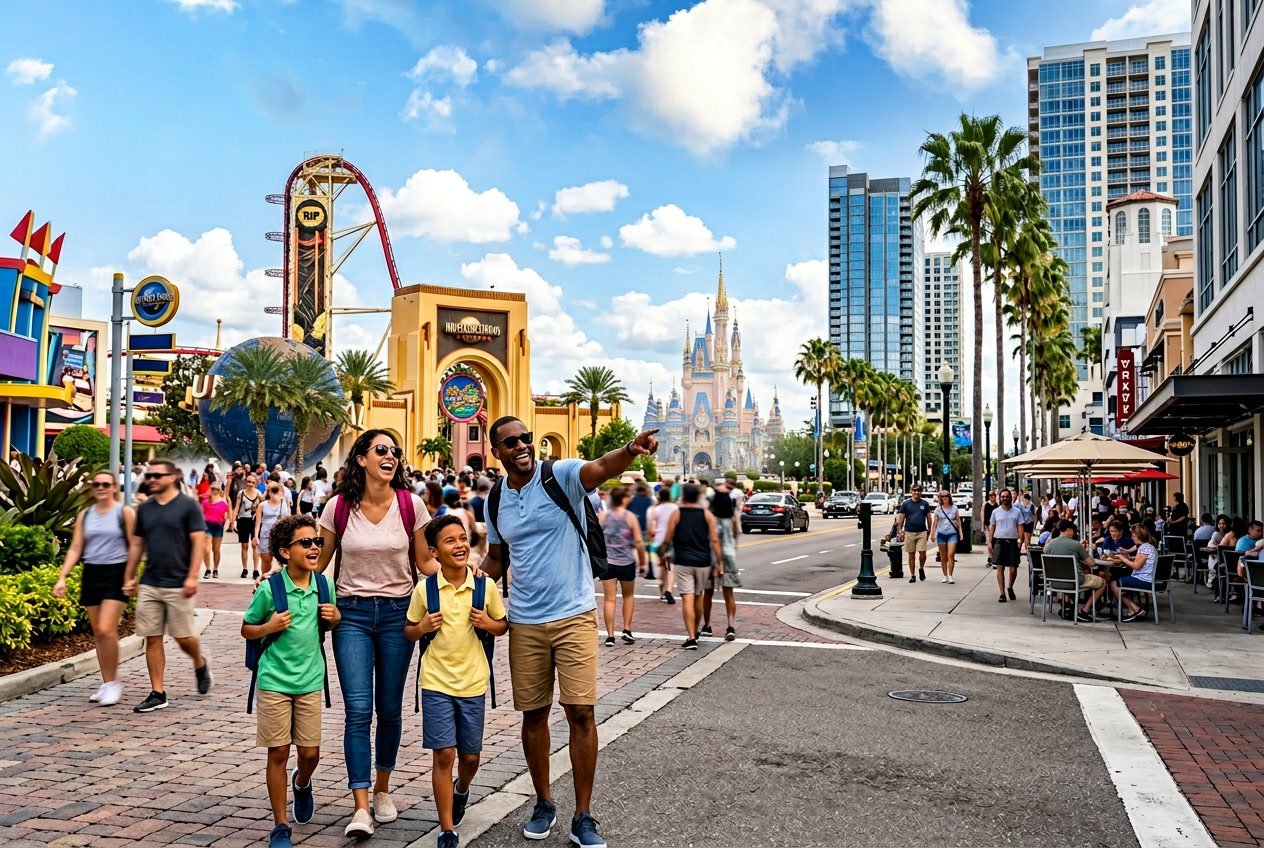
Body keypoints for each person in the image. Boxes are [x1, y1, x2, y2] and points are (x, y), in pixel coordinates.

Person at [480, 416, 657, 847]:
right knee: (534, 715)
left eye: (526, 438)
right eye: (510, 442)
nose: (521, 445)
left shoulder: (559, 475)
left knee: (581, 712)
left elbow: (599, 468)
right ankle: (544, 802)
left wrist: (630, 451)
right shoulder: (496, 498)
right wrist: (461, 587)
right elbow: (497, 559)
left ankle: (584, 814)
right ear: (497, 452)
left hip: (574, 614)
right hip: (524, 620)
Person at [313, 430, 435, 837]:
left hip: (399, 616)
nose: (391, 456)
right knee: (358, 711)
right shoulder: (338, 507)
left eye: (395, 451)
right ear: (361, 459)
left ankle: (383, 788)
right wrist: (282, 581)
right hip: (352, 616)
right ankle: (361, 804)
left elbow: (423, 562)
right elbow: (318, 564)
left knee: (389, 709)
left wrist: (462, 574)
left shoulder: (411, 505)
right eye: (381, 450)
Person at [405, 515, 507, 848]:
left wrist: (487, 623)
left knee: (471, 756)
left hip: (474, 682)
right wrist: (421, 628)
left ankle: (461, 789)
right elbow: (409, 629)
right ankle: (446, 828)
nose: (460, 545)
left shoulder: (484, 585)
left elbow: (503, 625)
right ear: (433, 552)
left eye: (462, 538)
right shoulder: (425, 589)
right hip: (435, 681)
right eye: (450, 541)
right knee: (443, 755)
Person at [241, 514, 340, 848]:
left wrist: (335, 617)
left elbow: (330, 624)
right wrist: (268, 627)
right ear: (285, 552)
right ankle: (280, 824)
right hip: (273, 681)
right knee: (278, 751)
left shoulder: (324, 586)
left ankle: (302, 781)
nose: (314, 548)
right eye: (306, 543)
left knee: (310, 753)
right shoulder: (271, 589)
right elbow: (247, 628)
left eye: (317, 542)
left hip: (311, 680)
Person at [122, 459, 212, 713]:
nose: (151, 479)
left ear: (172, 477)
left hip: (179, 581)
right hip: (151, 582)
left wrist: (193, 576)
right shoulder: (146, 508)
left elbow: (198, 543)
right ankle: (158, 693)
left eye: (157, 475)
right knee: (152, 637)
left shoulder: (188, 506)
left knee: (183, 637)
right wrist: (129, 576)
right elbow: (138, 544)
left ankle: (199, 662)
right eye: (149, 475)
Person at [52, 470, 136, 706]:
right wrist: (62, 577)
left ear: (114, 488)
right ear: (92, 488)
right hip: (92, 572)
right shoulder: (85, 515)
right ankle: (107, 682)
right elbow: (77, 547)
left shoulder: (125, 513)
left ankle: (114, 683)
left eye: (106, 484)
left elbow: (135, 546)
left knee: (107, 628)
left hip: (116, 573)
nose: (101, 487)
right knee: (98, 632)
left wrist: (130, 576)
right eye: (97, 484)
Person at [662, 482, 722, 651]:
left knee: (687, 598)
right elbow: (715, 540)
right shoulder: (706, 514)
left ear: (684, 496)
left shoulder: (677, 513)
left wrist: (664, 553)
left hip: (682, 561)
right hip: (703, 562)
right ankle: (695, 632)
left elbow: (667, 537)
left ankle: (691, 637)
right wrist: (719, 562)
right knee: (698, 596)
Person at [598, 487, 645, 646]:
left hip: (608, 562)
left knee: (609, 599)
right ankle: (626, 629)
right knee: (628, 596)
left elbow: (595, 538)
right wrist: (644, 562)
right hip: (626, 562)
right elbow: (638, 542)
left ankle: (610, 636)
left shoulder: (603, 517)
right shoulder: (630, 517)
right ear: (623, 499)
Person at [1043, 519, 1107, 622]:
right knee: (1102, 582)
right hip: (1074, 580)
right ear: (1068, 530)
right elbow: (1091, 563)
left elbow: (1046, 553)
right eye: (1073, 530)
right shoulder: (1076, 544)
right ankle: (1085, 610)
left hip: (1054, 581)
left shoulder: (1050, 544)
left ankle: (1070, 605)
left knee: (1071, 579)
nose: (1073, 533)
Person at [703, 477, 741, 641]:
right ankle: (730, 626)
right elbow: (735, 534)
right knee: (729, 593)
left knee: (707, 592)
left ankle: (707, 625)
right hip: (728, 556)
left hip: (709, 555)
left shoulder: (709, 518)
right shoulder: (732, 519)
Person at [1109, 524, 1160, 622]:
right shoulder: (1149, 546)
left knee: (1114, 583)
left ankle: (1135, 609)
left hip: (1144, 580)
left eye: (1133, 535)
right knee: (1122, 578)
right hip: (1148, 578)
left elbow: (1136, 566)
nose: (1132, 537)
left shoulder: (1144, 548)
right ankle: (1131, 610)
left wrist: (1122, 558)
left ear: (1139, 535)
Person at [987, 490, 1023, 603]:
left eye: (1007, 496)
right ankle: (1002, 593)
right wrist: (990, 541)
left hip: (1013, 542)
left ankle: (1010, 587)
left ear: (1010, 498)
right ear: (1000, 498)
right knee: (1000, 568)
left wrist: (1020, 539)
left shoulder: (1017, 512)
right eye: (1002, 497)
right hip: (999, 542)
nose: (1005, 498)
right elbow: (992, 526)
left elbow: (1020, 526)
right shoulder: (995, 512)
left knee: (1013, 568)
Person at [895, 486, 933, 583]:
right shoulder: (906, 504)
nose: (916, 493)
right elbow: (901, 517)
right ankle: (912, 575)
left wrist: (929, 529)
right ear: (911, 492)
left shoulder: (924, 503)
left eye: (919, 491)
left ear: (921, 492)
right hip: (909, 532)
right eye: (915, 491)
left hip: (922, 532)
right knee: (911, 554)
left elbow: (928, 517)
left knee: (922, 552)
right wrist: (900, 530)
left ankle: (921, 568)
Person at [647, 487, 677, 604]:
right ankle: (669, 590)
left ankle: (662, 592)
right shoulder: (675, 508)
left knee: (662, 567)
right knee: (671, 567)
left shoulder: (654, 509)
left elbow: (651, 527)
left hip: (658, 540)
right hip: (671, 539)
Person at [255, 483, 292, 576]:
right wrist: (256, 536)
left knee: (279, 561)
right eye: (272, 490)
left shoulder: (284, 503)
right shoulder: (262, 505)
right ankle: (265, 580)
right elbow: (258, 523)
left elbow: (288, 519)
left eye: (277, 490)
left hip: (280, 535)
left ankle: (277, 582)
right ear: (269, 492)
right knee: (266, 560)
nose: (274, 492)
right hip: (265, 535)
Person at [927, 490, 961, 583]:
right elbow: (935, 523)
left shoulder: (954, 508)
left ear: (949, 497)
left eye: (945, 496)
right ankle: (945, 575)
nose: (944, 498)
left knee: (951, 555)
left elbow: (958, 521)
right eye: (941, 496)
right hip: (941, 534)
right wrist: (932, 534)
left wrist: (961, 533)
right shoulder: (938, 509)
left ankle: (950, 575)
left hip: (952, 534)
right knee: (943, 556)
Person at [237, 474, 263, 579]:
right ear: (245, 482)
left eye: (252, 482)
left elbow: (262, 507)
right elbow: (237, 507)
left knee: (255, 545)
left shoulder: (259, 494)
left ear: (255, 483)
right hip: (243, 520)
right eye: (248, 481)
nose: (250, 484)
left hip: (254, 521)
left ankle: (256, 569)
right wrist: (231, 521)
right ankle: (245, 568)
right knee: (244, 546)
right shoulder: (241, 493)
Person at [201, 484, 230, 578]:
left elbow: (227, 515)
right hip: (207, 525)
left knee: (216, 549)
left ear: (219, 490)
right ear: (210, 490)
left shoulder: (223, 503)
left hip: (218, 526)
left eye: (217, 489)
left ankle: (215, 569)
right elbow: (201, 514)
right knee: (206, 549)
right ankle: (208, 569)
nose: (215, 491)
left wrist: (227, 524)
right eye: (213, 489)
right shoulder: (205, 502)